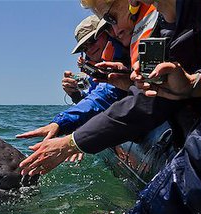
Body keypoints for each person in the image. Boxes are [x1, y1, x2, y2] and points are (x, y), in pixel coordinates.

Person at [19, 0, 201, 176]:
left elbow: (144, 103)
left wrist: (73, 142)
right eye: (84, 48)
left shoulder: (169, 28)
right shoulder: (129, 49)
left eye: (110, 21)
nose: (114, 30)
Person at [17, 15, 128, 162]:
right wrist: (75, 94)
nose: (90, 49)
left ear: (108, 32)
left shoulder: (122, 60)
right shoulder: (95, 69)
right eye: (84, 47)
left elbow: (105, 96)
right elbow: (95, 99)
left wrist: (63, 125)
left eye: (93, 40)